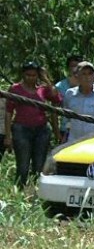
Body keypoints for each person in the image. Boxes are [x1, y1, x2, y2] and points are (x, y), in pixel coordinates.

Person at [5, 61, 61, 190]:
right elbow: (9, 112)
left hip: (41, 130)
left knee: (39, 165)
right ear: (23, 74)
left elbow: (56, 99)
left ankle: (37, 192)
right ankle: (20, 191)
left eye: (33, 75)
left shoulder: (43, 89)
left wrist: (47, 80)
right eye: (28, 75)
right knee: (23, 165)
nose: (30, 77)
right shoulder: (15, 89)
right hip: (21, 130)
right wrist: (8, 136)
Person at [61, 61, 94, 141]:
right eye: (84, 74)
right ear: (77, 76)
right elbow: (66, 118)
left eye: (90, 73)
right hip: (74, 140)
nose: (87, 77)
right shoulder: (70, 94)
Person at [54, 54, 82, 141]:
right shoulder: (59, 86)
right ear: (68, 68)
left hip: (87, 130)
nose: (75, 69)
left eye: (78, 66)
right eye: (72, 66)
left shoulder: (91, 85)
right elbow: (54, 111)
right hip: (67, 130)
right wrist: (57, 133)